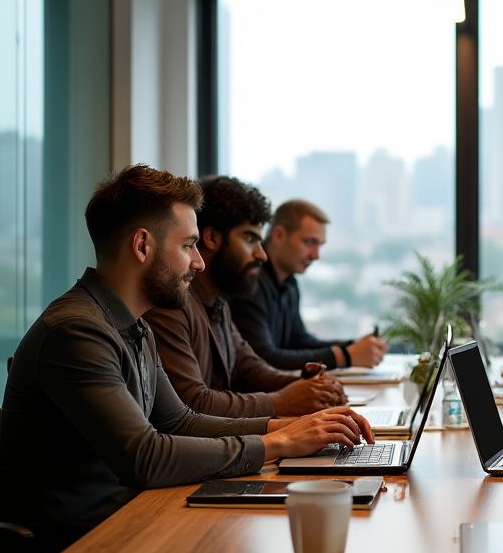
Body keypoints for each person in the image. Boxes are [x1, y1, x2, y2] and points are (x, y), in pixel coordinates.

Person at [1, 165, 372, 553]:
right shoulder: (76, 331)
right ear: (143, 246)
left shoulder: (132, 325)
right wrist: (276, 442)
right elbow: (144, 457)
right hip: (80, 550)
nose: (199, 262)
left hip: (129, 521)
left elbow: (181, 421)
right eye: (187, 245)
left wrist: (297, 426)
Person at [146, 178, 350, 417]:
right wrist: (282, 401)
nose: (261, 255)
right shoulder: (171, 304)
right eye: (250, 239)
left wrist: (305, 384)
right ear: (211, 238)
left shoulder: (218, 301)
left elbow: (249, 367)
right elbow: (193, 403)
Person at [230, 198, 389, 371]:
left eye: (320, 245)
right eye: (309, 242)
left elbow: (298, 341)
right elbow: (263, 359)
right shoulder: (250, 282)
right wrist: (345, 356)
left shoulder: (289, 283)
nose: (316, 255)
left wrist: (352, 346)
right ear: (278, 235)